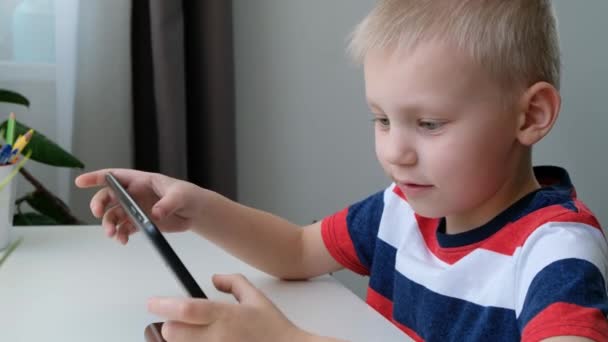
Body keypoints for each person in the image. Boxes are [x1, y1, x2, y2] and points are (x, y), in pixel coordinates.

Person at [75, 0, 608, 341]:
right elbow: (297, 250)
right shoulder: (401, 212)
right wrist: (192, 207)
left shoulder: (555, 250)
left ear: (530, 115)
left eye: (428, 122)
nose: (395, 152)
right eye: (381, 119)